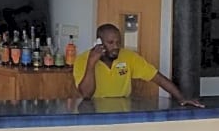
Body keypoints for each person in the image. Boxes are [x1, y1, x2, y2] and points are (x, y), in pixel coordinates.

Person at [73, 23, 203, 107]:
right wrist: (91, 63)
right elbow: (86, 94)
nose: (116, 47)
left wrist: (181, 98)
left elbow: (156, 77)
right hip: (93, 110)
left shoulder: (128, 57)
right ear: (99, 42)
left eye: (118, 42)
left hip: (123, 109)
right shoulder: (83, 60)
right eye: (110, 42)